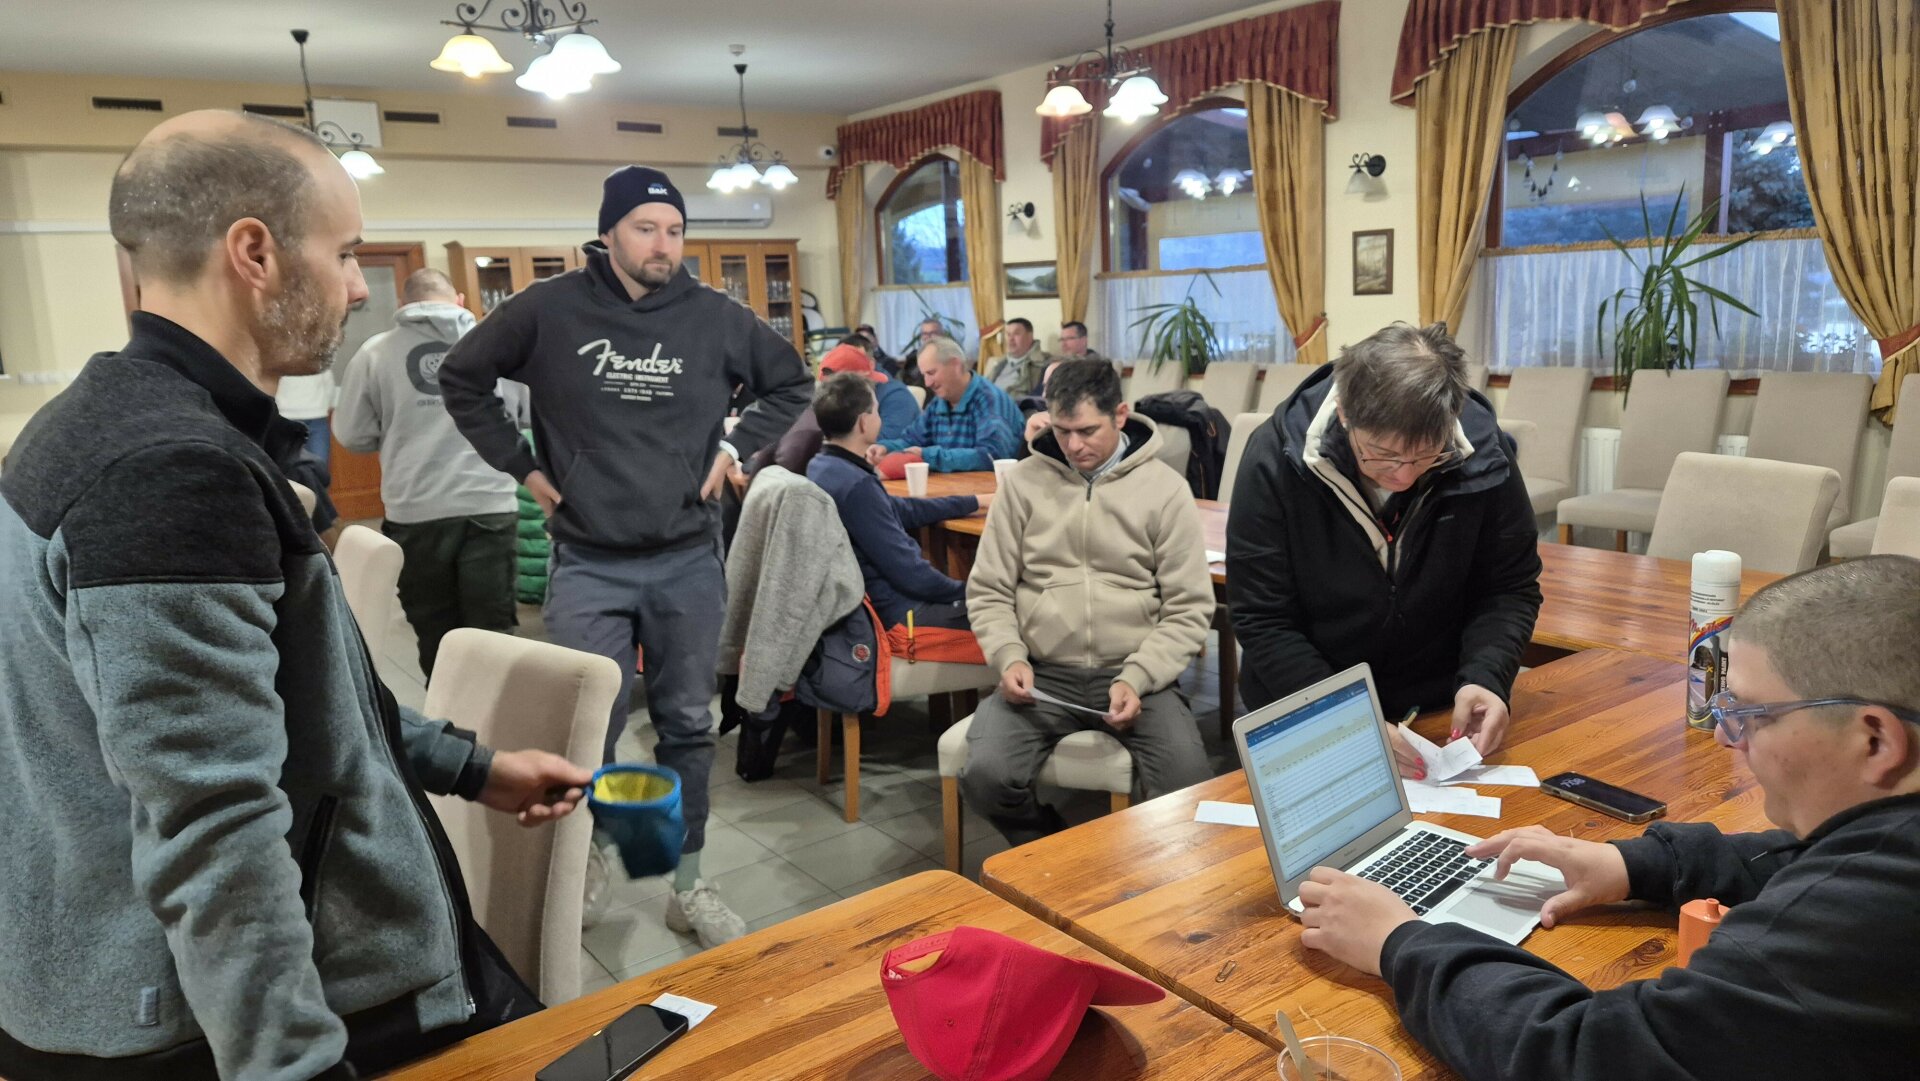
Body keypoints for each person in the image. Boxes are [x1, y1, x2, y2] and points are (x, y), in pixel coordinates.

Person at [0, 110, 591, 1081]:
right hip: (204, 1022)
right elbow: (215, 829)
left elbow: (294, 700)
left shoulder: (95, 423)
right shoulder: (169, 469)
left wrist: (472, 765)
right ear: (256, 253)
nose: (359, 285)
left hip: (125, 982)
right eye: (347, 253)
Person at [1296, 555, 1920, 1080]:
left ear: (1875, 741)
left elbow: (1580, 1056)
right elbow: (1804, 860)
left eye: (1752, 715)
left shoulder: (1857, 924)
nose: (1727, 737)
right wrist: (1630, 863)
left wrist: (1401, 943)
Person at [439, 165, 811, 949]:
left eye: (675, 231)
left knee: (687, 724)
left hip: (686, 558)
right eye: (646, 229)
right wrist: (526, 469)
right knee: (586, 726)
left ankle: (686, 880)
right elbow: (461, 377)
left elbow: (790, 383)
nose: (663, 245)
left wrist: (733, 447)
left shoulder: (716, 317)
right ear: (609, 233)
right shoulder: (547, 309)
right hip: (588, 559)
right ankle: (588, 862)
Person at [1225, 323, 1540, 777]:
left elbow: (1509, 587)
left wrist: (1487, 677)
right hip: (1307, 708)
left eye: (1427, 455)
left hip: (1435, 711)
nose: (1404, 476)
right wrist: (1346, 715)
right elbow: (1262, 617)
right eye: (1382, 454)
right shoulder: (1277, 458)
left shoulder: (1482, 453)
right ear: (1345, 412)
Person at [962, 360, 1215, 843]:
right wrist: (1009, 656)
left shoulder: (1164, 489)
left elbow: (1188, 607)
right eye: (1061, 431)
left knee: (1189, 788)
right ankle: (1053, 853)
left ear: (1120, 415)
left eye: (1086, 431)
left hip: (1138, 675)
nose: (1073, 445)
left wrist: (1138, 676)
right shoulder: (1023, 483)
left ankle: (1149, 872)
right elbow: (990, 589)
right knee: (986, 777)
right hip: (1043, 674)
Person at [333, 267, 524, 677]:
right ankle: (495, 714)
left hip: (415, 510)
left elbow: (352, 434)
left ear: (403, 305)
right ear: (459, 301)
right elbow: (527, 414)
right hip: (489, 503)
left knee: (435, 628)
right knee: (493, 631)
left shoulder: (375, 352)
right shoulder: (500, 348)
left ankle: (446, 711)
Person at [808, 373, 988, 660]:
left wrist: (974, 501)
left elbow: (900, 509)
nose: (879, 418)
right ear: (863, 422)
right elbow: (913, 576)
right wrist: (972, 592)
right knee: (1020, 623)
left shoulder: (824, 467)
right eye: (876, 411)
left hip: (874, 613)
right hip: (899, 623)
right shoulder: (857, 485)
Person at [870, 336, 1024, 474]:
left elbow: (991, 456)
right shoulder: (939, 402)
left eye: (931, 373)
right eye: (924, 375)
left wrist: (929, 456)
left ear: (955, 365)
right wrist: (886, 448)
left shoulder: (990, 400)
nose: (927, 383)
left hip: (989, 492)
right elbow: (911, 440)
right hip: (950, 490)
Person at [987, 317, 1049, 396]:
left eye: (1016, 334)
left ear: (1030, 336)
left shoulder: (1044, 363)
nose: (1010, 339)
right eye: (1008, 334)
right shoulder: (999, 363)